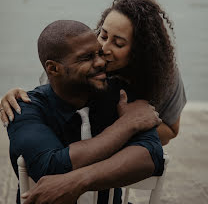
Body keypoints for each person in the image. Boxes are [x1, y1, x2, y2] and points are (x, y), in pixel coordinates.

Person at [6, 20, 163, 204]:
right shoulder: (25, 107)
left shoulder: (120, 96)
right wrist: (126, 124)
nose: (100, 62)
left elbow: (151, 157)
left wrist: (78, 181)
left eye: (99, 53)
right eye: (86, 57)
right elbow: (51, 167)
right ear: (53, 68)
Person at [0, 0, 186, 145]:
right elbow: (51, 105)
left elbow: (171, 130)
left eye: (118, 43)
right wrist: (20, 97)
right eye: (103, 35)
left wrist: (132, 123)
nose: (103, 49)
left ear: (141, 51)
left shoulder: (165, 75)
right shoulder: (79, 64)